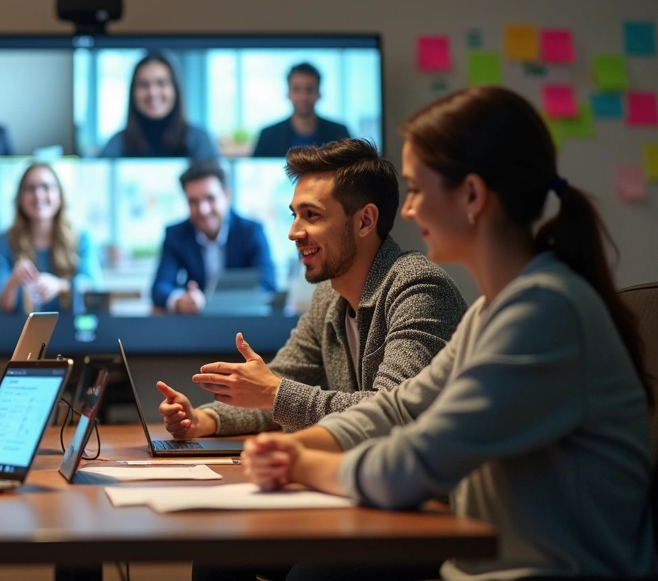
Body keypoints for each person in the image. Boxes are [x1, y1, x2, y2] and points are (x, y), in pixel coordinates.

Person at [245, 86, 656, 580]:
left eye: (417, 190)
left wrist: (299, 463)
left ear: (472, 196)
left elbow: (418, 460)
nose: (408, 210)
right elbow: (400, 407)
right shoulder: (493, 310)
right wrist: (306, 443)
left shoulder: (545, 313)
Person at [156, 139, 467, 441]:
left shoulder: (419, 288)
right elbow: (279, 388)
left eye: (311, 215)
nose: (293, 232)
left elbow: (392, 414)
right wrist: (203, 419)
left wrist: (274, 392)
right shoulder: (328, 297)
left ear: (365, 221)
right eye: (295, 215)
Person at [151, 159, 277, 313]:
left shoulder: (251, 231)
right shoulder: (176, 235)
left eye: (210, 198)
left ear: (226, 196)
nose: (203, 210)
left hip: (242, 319)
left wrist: (221, 301)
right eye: (193, 201)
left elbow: (268, 284)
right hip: (196, 322)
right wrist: (179, 300)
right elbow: (160, 287)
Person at [0, 163, 102, 314]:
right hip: (21, 328)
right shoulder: (4, 241)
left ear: (60, 195)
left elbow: (94, 289)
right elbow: (1, 305)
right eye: (30, 188)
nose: (38, 195)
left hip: (71, 326)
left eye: (46, 187)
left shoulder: (82, 238)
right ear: (20, 198)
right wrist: (14, 280)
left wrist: (60, 285)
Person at [100, 52, 219, 158]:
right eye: (144, 85)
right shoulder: (116, 144)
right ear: (133, 92)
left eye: (162, 83)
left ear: (175, 89)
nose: (153, 93)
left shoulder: (199, 140)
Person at [251, 62, 351, 158]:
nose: (303, 97)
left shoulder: (340, 135)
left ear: (319, 93)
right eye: (296, 89)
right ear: (288, 93)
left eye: (309, 89)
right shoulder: (268, 136)